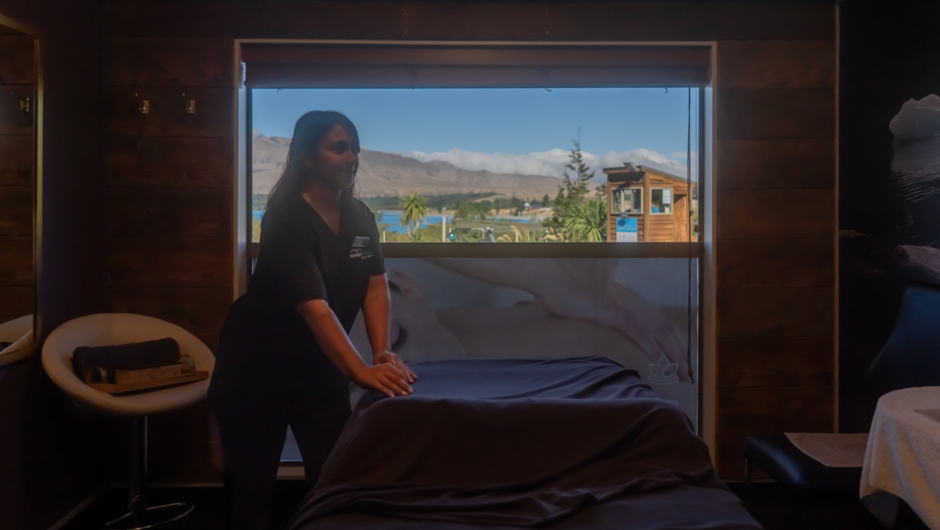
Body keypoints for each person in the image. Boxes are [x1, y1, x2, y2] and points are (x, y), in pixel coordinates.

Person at [207, 111, 416, 530]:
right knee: (250, 497)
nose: (351, 157)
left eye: (355, 148)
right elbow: (314, 306)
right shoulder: (285, 217)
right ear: (306, 156)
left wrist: (382, 352)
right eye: (338, 147)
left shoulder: (360, 217)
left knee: (332, 482)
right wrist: (359, 370)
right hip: (256, 370)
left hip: (319, 370)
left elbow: (375, 287)